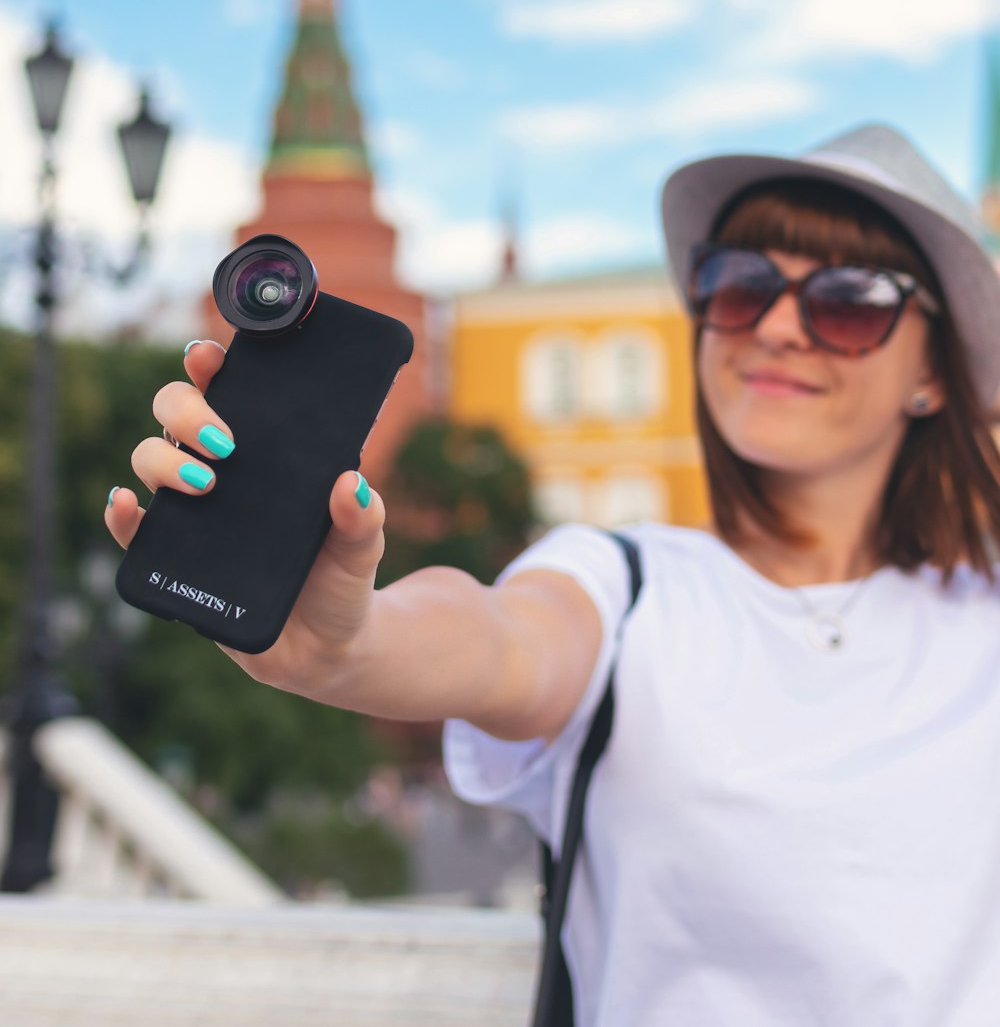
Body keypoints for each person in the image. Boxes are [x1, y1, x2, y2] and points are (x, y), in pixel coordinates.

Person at [104, 122, 1000, 1026]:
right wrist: (354, 640)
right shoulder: (628, 583)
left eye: (848, 301)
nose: (774, 327)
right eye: (739, 286)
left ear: (935, 368)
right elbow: (501, 638)